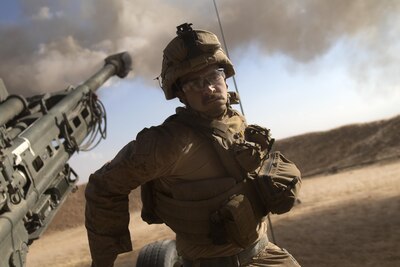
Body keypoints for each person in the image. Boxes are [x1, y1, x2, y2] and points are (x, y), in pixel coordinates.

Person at [85, 23, 302, 267]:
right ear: (181, 95)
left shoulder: (233, 118)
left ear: (225, 78)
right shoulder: (166, 143)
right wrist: (104, 261)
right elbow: (104, 187)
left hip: (264, 255)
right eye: (194, 84)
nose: (209, 88)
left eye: (213, 76)